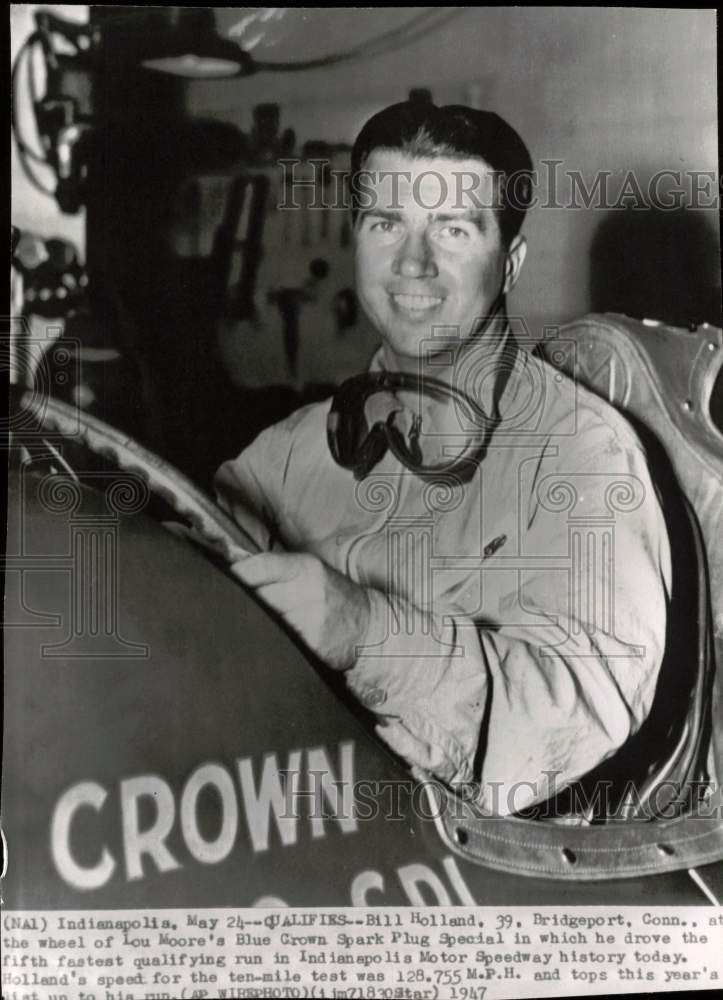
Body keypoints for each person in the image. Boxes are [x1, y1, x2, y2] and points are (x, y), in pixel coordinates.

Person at [214, 102, 671, 816]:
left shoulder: (582, 455)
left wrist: (365, 633)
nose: (412, 263)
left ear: (510, 263)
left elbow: (579, 703)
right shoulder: (288, 454)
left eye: (452, 229)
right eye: (385, 224)